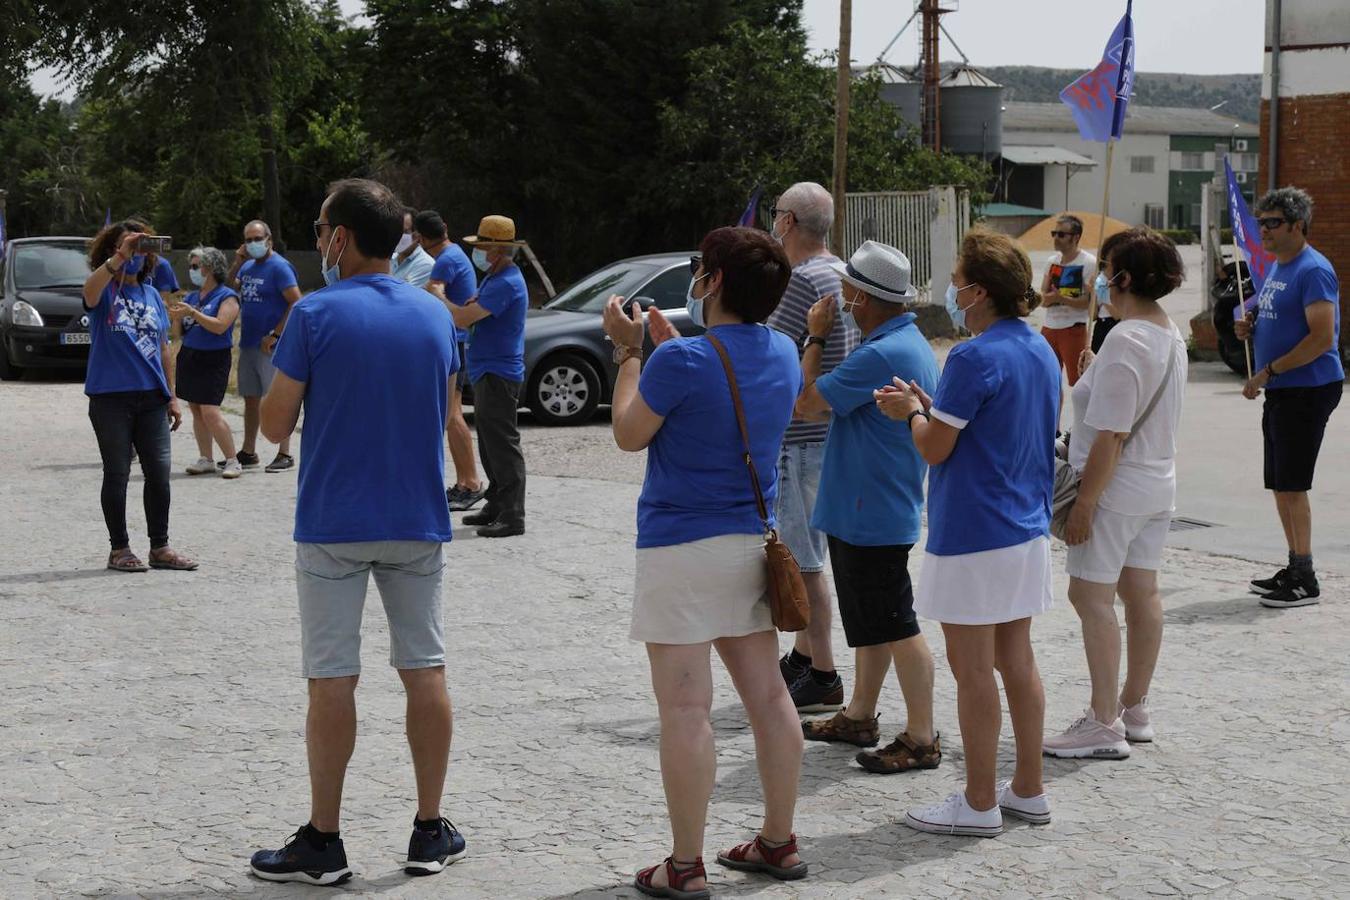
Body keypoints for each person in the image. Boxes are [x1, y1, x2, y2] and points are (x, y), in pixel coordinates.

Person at [249, 178, 463, 885]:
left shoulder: (314, 315)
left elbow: (275, 426)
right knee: (423, 669)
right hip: (416, 516)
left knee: (332, 679)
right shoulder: (435, 315)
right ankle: (429, 828)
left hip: (334, 521)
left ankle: (324, 839)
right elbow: (442, 409)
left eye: (319, 229)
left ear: (338, 238)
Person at [602, 226, 807, 898]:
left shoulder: (680, 361)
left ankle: (684, 864)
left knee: (687, 709)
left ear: (712, 281)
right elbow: (726, 392)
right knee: (770, 697)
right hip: (753, 541)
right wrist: (668, 355)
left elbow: (631, 433)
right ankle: (779, 839)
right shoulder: (781, 349)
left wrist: (632, 355)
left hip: (680, 546)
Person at [876, 228, 1058, 837]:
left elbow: (934, 447)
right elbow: (990, 425)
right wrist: (933, 404)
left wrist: (913, 413)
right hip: (1025, 526)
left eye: (956, 284)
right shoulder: (1037, 348)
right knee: (1017, 661)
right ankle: (1027, 789)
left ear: (978, 291)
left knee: (974, 670)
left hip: (975, 530)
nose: (952, 293)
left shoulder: (973, 355)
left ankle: (979, 801)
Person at [792, 241, 942, 776]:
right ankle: (858, 714)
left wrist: (814, 336)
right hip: (877, 503)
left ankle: (922, 736)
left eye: (847, 292)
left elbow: (805, 401)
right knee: (873, 622)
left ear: (861, 296)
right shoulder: (908, 340)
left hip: (869, 509)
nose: (842, 299)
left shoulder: (878, 353)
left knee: (897, 623)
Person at [1043, 227, 1188, 760]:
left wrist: (1083, 506)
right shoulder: (1166, 331)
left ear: (1121, 277)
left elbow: (1111, 434)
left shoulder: (1127, 337)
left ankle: (1103, 720)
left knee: (1091, 595)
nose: (1100, 278)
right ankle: (1133, 707)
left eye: (1106, 269)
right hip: (1156, 481)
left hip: (1115, 486)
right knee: (1141, 591)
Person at [764, 181, 860, 713]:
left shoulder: (800, 281)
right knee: (811, 555)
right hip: (830, 434)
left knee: (804, 563)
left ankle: (823, 671)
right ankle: (804, 656)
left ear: (789, 222)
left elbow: (772, 350)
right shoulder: (842, 271)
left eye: (775, 214)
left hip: (800, 439)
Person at [1236, 187, 1343, 609]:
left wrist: (1269, 371)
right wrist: (1251, 329)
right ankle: (1295, 565)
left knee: (1293, 486)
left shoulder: (1313, 270)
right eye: (1261, 222)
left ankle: (1305, 578)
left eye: (1272, 223)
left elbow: (1321, 337)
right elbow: (1276, 318)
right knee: (1281, 485)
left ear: (1297, 226)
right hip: (1283, 390)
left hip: (1307, 387)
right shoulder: (1278, 267)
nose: (1263, 229)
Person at [81, 220, 196, 573]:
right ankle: (119, 549)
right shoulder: (103, 291)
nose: (134, 254)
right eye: (129, 246)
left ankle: (159, 547)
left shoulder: (151, 296)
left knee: (159, 475)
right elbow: (88, 293)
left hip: (151, 399)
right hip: (110, 398)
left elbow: (164, 349)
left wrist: (172, 396)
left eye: (139, 248)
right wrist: (120, 254)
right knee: (117, 474)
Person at [454, 216, 529, 538]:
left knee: (502, 445)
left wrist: (438, 296)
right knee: (489, 442)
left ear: (497, 250)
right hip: (487, 368)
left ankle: (513, 515)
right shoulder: (496, 278)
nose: (479, 253)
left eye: (482, 248)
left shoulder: (506, 282)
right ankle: (496, 504)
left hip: (498, 372)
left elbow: (464, 316)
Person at [418, 210, 485, 512]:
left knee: (452, 414)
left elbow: (435, 294)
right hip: (459, 341)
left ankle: (469, 483)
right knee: (450, 413)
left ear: (420, 238)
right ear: (445, 227)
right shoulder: (456, 252)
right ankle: (464, 482)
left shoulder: (445, 260)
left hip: (455, 342)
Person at [227, 219, 301, 473]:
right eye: (248, 239)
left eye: (257, 239)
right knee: (251, 398)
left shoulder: (279, 268)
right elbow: (227, 290)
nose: (252, 244)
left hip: (270, 346)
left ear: (269, 239)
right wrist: (237, 261)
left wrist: (275, 334)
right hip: (248, 341)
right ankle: (248, 450)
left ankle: (285, 452)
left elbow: (295, 302)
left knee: (278, 398)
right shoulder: (247, 266)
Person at [169, 247, 243, 479]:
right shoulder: (191, 297)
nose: (192, 271)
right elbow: (179, 333)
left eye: (195, 266)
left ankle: (233, 460)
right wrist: (175, 318)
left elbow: (220, 326)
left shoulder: (226, 296)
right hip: (191, 354)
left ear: (210, 268)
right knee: (196, 409)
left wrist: (194, 313)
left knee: (210, 410)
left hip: (214, 358)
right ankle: (206, 458)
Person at [1039, 215, 1096, 386]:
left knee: (1079, 382)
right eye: (1054, 233)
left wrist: (1059, 298)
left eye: (1061, 234)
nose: (1056, 238)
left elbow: (1088, 302)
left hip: (1073, 328)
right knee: (1047, 381)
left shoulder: (1088, 262)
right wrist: (1037, 297)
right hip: (1049, 327)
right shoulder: (1051, 261)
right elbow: (1042, 293)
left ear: (1076, 237)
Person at [392, 207, 435, 288]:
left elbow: (402, 297)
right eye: (395, 230)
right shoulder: (389, 259)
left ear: (416, 235)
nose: (397, 235)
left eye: (404, 231)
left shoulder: (426, 265)